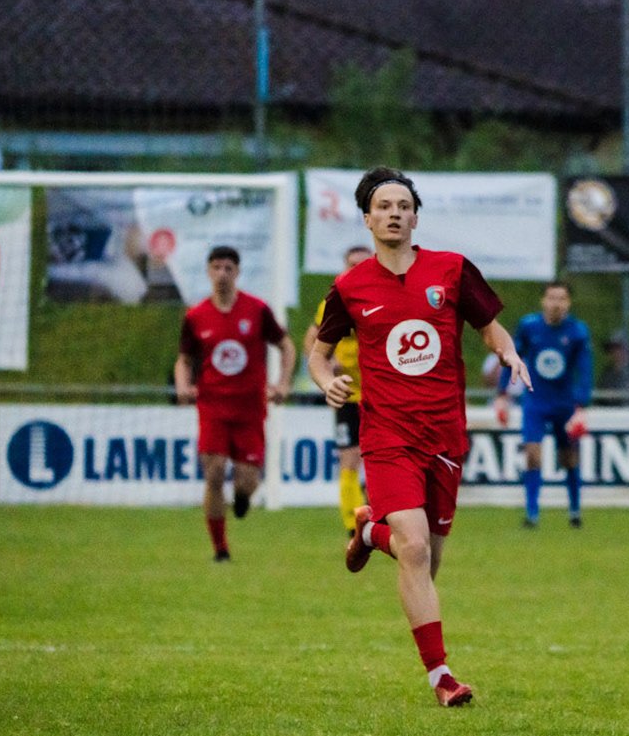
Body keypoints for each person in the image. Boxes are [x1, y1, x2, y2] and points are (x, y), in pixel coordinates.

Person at [308, 166, 530, 708]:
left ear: (414, 216)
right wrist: (327, 382)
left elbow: (488, 326)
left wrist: (507, 350)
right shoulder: (350, 287)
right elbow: (319, 352)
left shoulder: (451, 270)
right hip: (385, 433)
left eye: (403, 205)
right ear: (367, 218)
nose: (394, 214)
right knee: (411, 545)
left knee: (427, 557)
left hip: (446, 432)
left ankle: (367, 534)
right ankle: (442, 677)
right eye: (384, 206)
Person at [173, 245, 296, 562]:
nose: (222, 274)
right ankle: (220, 549)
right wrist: (183, 385)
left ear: (238, 272)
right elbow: (184, 359)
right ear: (208, 271)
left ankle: (242, 497)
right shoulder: (196, 316)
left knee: (247, 482)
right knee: (213, 474)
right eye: (216, 267)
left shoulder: (256, 310)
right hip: (213, 407)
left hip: (250, 409)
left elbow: (286, 346)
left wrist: (282, 383)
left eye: (229, 268)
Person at [497, 281, 594, 530]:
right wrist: (502, 393)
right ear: (543, 301)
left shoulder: (577, 331)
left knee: (569, 457)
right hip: (536, 401)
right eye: (552, 298)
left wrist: (580, 405)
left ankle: (574, 510)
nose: (556, 304)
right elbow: (512, 356)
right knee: (532, 454)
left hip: (565, 403)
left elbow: (585, 369)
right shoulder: (530, 327)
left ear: (568, 303)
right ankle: (532, 512)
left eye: (561, 299)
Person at [303, 245, 374, 538]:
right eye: (351, 264)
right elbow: (312, 339)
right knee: (350, 456)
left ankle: (377, 512)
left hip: (380, 393)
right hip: (347, 394)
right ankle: (351, 523)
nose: (357, 269)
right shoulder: (334, 303)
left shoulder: (385, 298)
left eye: (363, 263)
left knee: (381, 458)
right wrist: (328, 363)